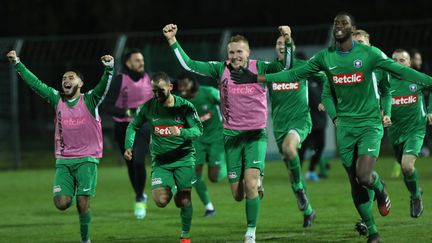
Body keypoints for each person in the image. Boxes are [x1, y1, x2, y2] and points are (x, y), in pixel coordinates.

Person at [230, 12, 432, 242]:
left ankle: (380, 187)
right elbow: (295, 72)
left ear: (352, 28)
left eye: (344, 23)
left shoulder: (370, 54)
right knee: (354, 183)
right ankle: (373, 232)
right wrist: (257, 79)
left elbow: (402, 72)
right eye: (336, 23)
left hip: (368, 125)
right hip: (345, 128)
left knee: (364, 176)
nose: (339, 26)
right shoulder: (325, 57)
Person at [163, 23, 276, 243]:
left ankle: (250, 232)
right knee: (237, 194)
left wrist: (288, 42)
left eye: (239, 51)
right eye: (231, 52)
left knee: (251, 183)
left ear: (248, 53)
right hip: (231, 137)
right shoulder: (220, 69)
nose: (235, 56)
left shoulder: (260, 67)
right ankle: (253, 183)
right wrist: (172, 41)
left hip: (255, 134)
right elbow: (189, 64)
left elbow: (286, 67)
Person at [7, 50, 114, 243]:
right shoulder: (57, 99)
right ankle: (71, 192)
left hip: (87, 159)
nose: (66, 80)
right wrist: (17, 63)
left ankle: (85, 239)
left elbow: (103, 87)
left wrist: (109, 69)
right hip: (64, 160)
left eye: (71, 77)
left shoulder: (90, 100)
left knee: (83, 204)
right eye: (64, 78)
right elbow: (36, 84)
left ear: (80, 84)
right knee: (62, 203)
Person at [124, 72, 203, 243]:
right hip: (161, 162)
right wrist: (128, 145)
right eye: (154, 91)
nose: (157, 95)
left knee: (184, 200)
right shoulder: (148, 107)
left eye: (160, 90)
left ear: (170, 88)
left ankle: (185, 236)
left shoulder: (185, 106)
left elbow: (198, 130)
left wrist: (181, 132)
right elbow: (133, 126)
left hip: (184, 158)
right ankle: (173, 187)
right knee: (160, 201)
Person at [267, 32, 318, 227]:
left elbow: (327, 75)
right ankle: (308, 211)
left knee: (290, 149)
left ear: (292, 48)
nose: (281, 45)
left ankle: (299, 189)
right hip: (279, 126)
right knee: (290, 168)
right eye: (278, 42)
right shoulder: (270, 69)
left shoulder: (302, 67)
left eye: (285, 43)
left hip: (300, 121)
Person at [103, 48, 152, 219]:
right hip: (123, 128)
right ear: (128, 63)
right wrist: (128, 112)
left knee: (138, 160)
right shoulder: (119, 80)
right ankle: (139, 193)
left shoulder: (149, 78)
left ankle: (139, 198)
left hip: (143, 128)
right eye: (137, 60)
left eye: (142, 60)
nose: (141, 63)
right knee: (131, 165)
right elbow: (106, 106)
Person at [176, 71, 227, 217]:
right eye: (180, 85)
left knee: (214, 177)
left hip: (216, 137)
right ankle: (209, 207)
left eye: (185, 84)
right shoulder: (181, 102)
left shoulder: (208, 93)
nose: (182, 88)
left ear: (193, 82)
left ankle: (229, 163)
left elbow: (228, 103)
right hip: (197, 141)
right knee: (194, 172)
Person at [387, 48, 430, 218]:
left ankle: (415, 197)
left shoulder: (416, 78)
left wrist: (431, 110)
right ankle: (415, 190)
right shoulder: (386, 81)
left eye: (402, 60)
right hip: (395, 132)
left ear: (409, 63)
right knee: (405, 170)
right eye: (394, 60)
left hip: (416, 130)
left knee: (407, 166)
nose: (398, 64)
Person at [296, 51, 329, 180]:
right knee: (302, 148)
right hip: (304, 119)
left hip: (319, 119)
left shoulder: (316, 77)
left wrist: (325, 101)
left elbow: (326, 90)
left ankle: (311, 170)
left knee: (320, 146)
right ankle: (297, 173)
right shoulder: (297, 78)